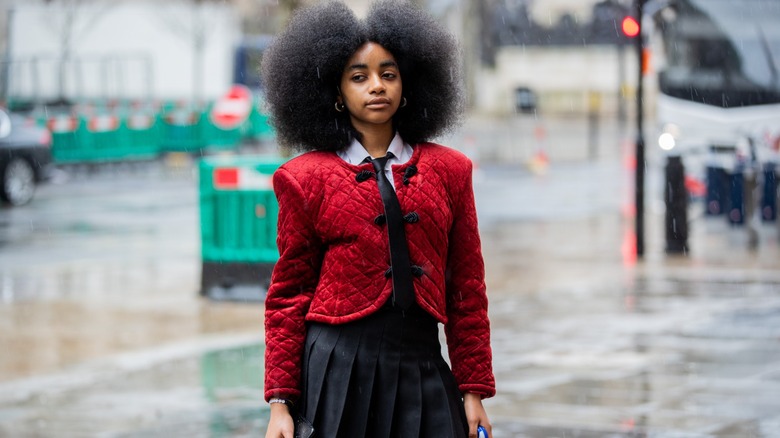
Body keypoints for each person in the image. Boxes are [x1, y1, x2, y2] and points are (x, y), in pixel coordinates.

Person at [262, 1, 495, 437]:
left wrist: (473, 390)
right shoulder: (302, 179)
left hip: (423, 362)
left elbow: (467, 288)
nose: (376, 86)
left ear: (408, 85)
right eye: (359, 76)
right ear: (335, 93)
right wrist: (281, 403)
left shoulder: (452, 171)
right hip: (337, 369)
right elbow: (288, 296)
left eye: (388, 74)